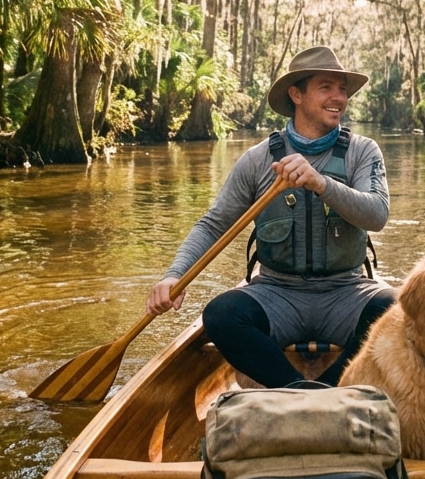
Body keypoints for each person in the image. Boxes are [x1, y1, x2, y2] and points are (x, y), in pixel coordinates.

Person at [147, 45, 396, 387]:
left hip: (346, 291)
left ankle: (325, 389)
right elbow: (214, 225)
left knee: (400, 313)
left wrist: (322, 184)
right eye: (326, 87)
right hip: (278, 292)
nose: (339, 97)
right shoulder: (257, 160)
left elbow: (377, 215)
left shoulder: (362, 151)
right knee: (221, 315)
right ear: (296, 94)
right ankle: (297, 389)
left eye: (343, 89)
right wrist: (174, 275)